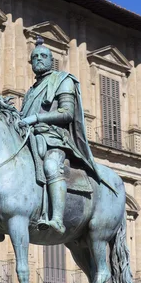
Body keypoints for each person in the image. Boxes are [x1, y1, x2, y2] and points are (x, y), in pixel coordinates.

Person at [20, 37, 100, 235]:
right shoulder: (31, 91)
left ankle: (57, 219)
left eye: (43, 56)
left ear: (51, 60)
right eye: (35, 57)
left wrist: (36, 118)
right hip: (30, 137)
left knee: (50, 166)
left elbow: (67, 113)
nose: (39, 59)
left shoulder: (63, 80)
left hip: (54, 138)